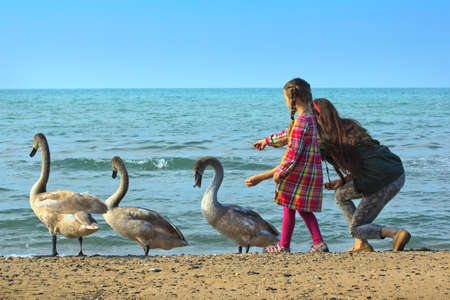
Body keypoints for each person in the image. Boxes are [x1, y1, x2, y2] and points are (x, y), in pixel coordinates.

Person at [311, 98, 410, 252]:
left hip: (381, 180)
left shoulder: (326, 140)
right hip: (396, 171)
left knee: (356, 228)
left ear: (317, 118)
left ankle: (395, 234)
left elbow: (303, 154)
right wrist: (343, 180)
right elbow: (367, 159)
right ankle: (361, 244)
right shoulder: (349, 125)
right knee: (340, 195)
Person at [245, 78, 328, 253]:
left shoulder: (301, 122)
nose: (285, 102)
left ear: (293, 99)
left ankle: (286, 246)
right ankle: (315, 243)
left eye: (285, 98)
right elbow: (287, 135)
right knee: (299, 209)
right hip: (309, 171)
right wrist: (267, 141)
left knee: (290, 207)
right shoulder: (309, 119)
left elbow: (293, 153)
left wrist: (281, 172)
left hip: (298, 173)